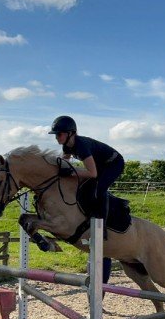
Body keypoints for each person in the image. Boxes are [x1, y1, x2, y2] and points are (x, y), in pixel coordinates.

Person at [49, 115, 125, 283]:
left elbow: (92, 173)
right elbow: (64, 162)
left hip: (114, 164)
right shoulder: (68, 146)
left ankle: (101, 227)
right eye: (56, 134)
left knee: (97, 190)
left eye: (59, 134)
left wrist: (70, 172)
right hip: (100, 165)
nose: (57, 137)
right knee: (84, 188)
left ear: (71, 133)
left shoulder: (81, 145)